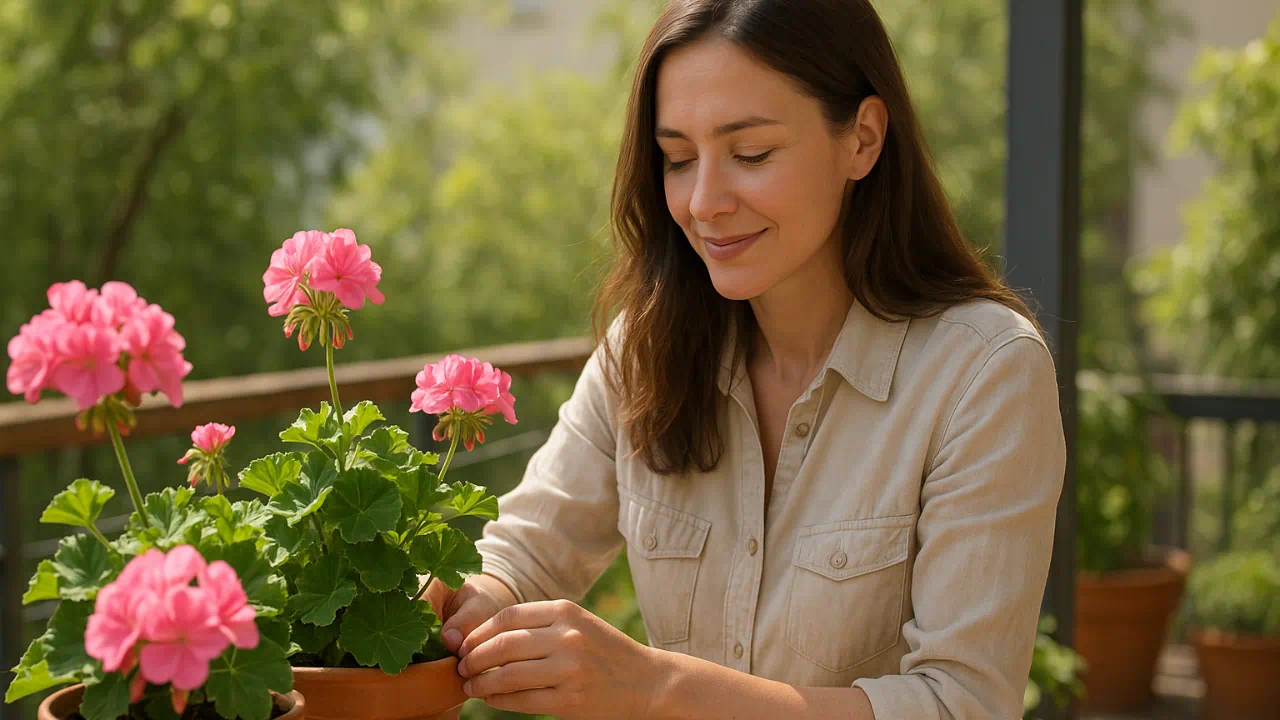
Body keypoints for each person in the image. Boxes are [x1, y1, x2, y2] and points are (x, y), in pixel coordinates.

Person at [425, 0, 1067, 717]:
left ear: (862, 138)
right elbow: (525, 558)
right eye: (677, 159)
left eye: (751, 154)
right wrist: (452, 606)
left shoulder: (983, 372)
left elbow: (962, 704)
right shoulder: (644, 348)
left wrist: (654, 687)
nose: (704, 202)